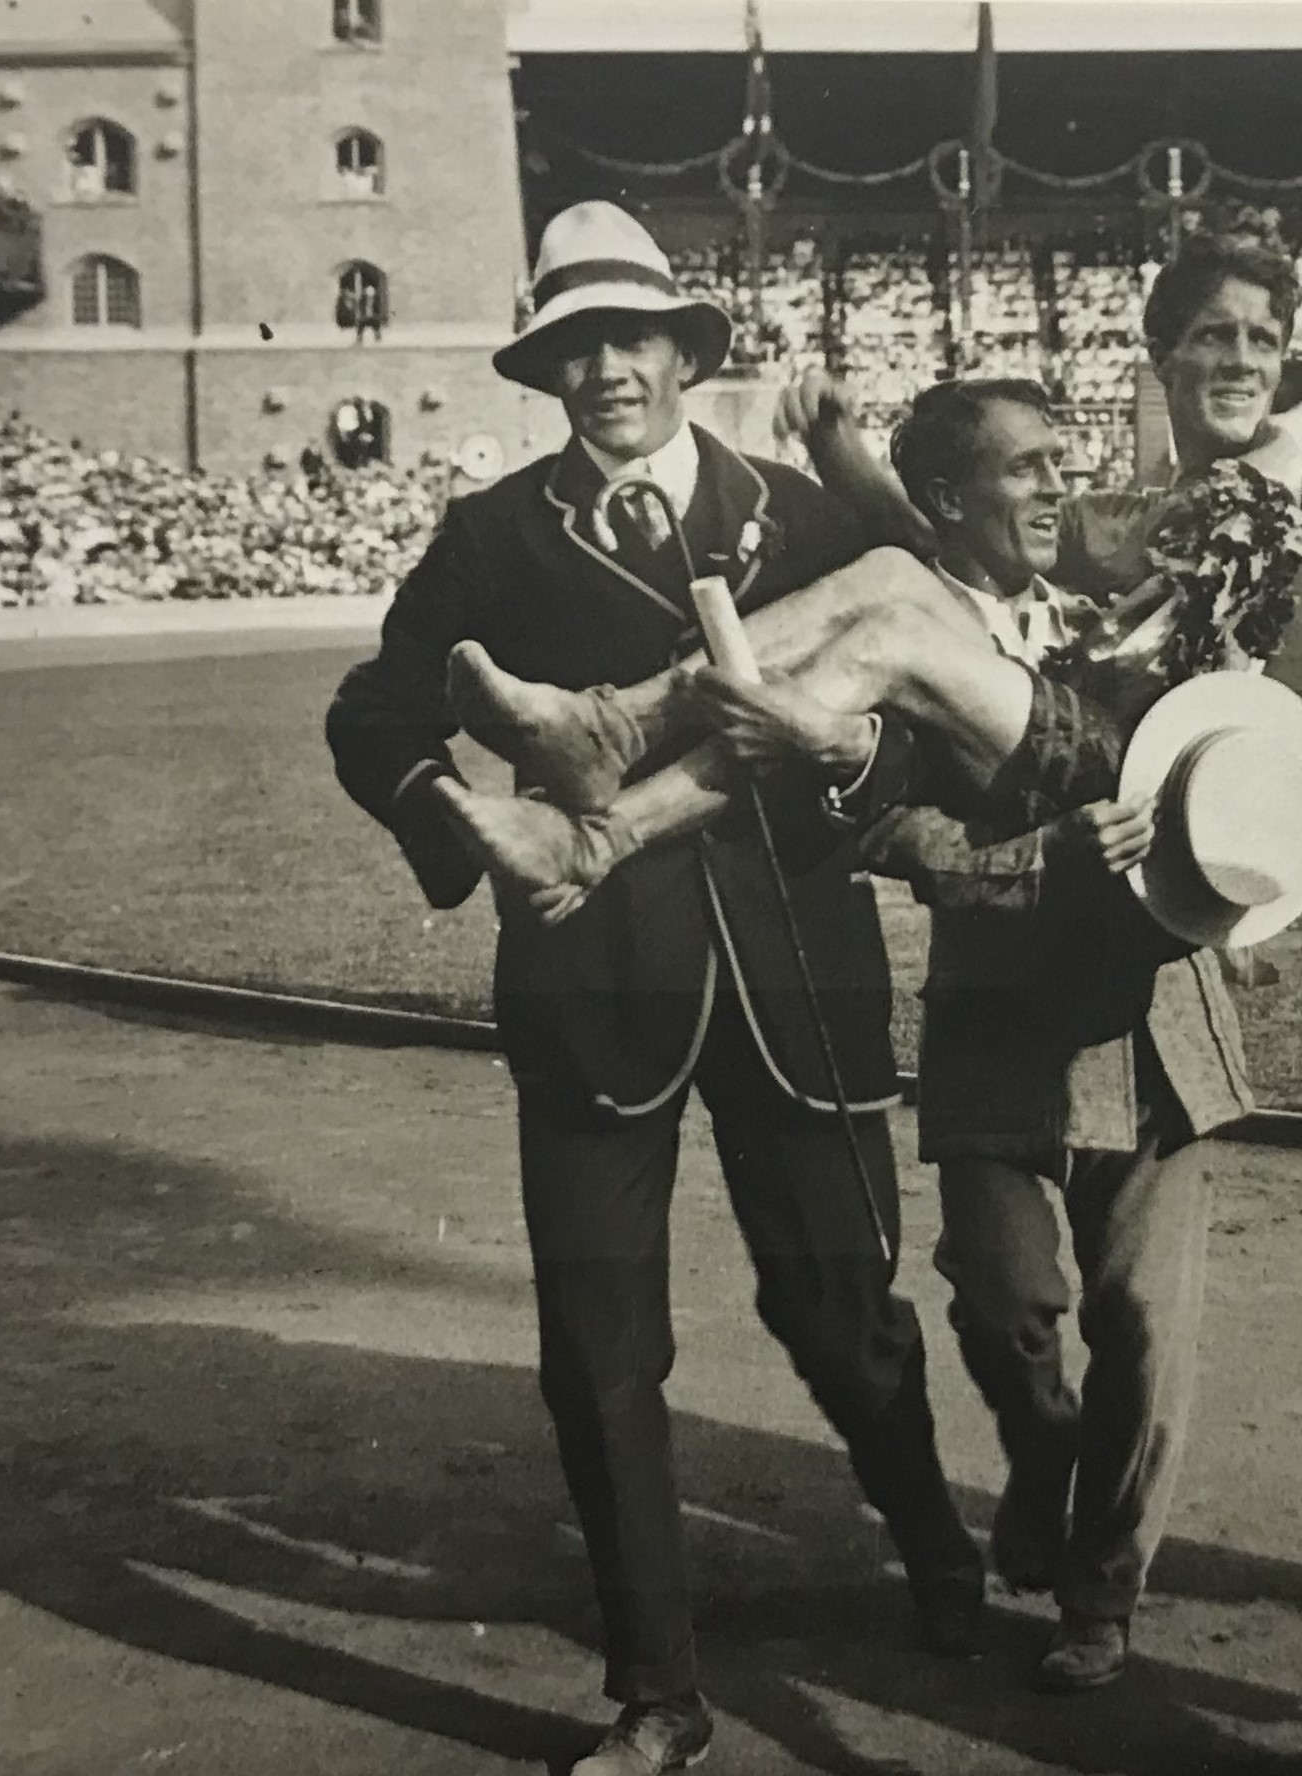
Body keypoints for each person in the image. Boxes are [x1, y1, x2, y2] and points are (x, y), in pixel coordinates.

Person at [323, 200, 982, 1776]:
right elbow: (369, 714)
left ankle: (939, 1550)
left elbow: (900, 730)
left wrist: (826, 762)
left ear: (687, 352)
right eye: (573, 344)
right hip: (588, 973)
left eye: (631, 336)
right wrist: (463, 829)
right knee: (598, 1346)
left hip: (794, 975)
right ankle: (657, 1693)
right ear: (545, 368)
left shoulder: (800, 519)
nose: (605, 367)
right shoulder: (489, 534)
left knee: (840, 1314)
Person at [438, 231, 1302, 923]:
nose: (1242, 358)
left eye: (1262, 339)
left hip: (1174, 779)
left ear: (1289, 359)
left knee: (895, 629)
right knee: (895, 578)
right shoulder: (1134, 509)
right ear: (1164, 358)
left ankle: (609, 779)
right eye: (1216, 335)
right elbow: (944, 531)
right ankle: (613, 741)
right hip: (1093, 756)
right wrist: (840, 447)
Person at [849, 375, 1257, 1694]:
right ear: (946, 499)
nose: (1051, 489)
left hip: (1151, 1030)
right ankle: (1042, 1467)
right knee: (1011, 1310)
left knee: (1141, 1323)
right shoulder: (901, 643)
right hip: (995, 1026)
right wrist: (1033, 855)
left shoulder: (1120, 616)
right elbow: (883, 827)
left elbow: (1229, 766)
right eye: (1021, 469)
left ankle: (1101, 1593)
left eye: (1059, 462)